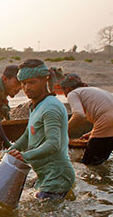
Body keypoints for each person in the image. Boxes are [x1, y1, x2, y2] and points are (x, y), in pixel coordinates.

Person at [8, 59, 75, 201]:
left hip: (57, 175)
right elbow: (27, 136)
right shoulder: (35, 106)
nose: (26, 88)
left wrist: (24, 156)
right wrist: (10, 152)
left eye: (32, 82)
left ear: (45, 80)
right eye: (23, 83)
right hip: (44, 173)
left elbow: (53, 144)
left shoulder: (51, 107)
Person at [58, 73, 113, 165]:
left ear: (67, 88)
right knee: (101, 162)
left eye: (63, 90)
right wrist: (91, 133)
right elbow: (104, 111)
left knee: (89, 163)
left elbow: (79, 114)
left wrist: (63, 131)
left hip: (106, 123)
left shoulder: (73, 93)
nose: (65, 95)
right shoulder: (93, 90)